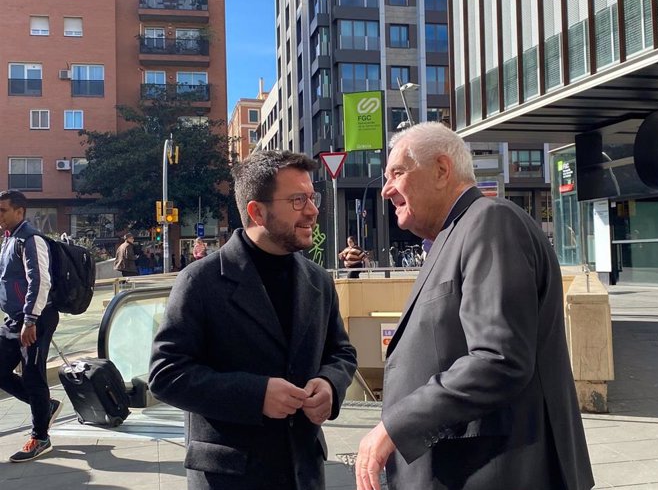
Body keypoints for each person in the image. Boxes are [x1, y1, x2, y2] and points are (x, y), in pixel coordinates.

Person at [355, 122, 593, 490]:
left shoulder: (490, 221)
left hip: (496, 472)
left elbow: (498, 359)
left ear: (441, 170)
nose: (386, 190)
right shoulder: (455, 233)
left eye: (397, 173)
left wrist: (395, 426)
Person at [149, 150, 357, 490]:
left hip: (303, 471)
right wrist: (255, 394)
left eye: (312, 197)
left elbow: (342, 352)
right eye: (297, 199)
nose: (312, 210)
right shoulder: (199, 281)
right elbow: (166, 374)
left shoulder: (318, 280)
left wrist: (331, 384)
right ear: (257, 212)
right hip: (230, 477)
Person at [0, 190, 63, 462]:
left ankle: (40, 436)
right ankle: (45, 407)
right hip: (14, 318)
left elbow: (40, 282)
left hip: (35, 318)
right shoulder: (8, 239)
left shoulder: (31, 239)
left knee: (33, 375)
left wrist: (30, 320)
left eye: (3, 210)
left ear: (20, 211)